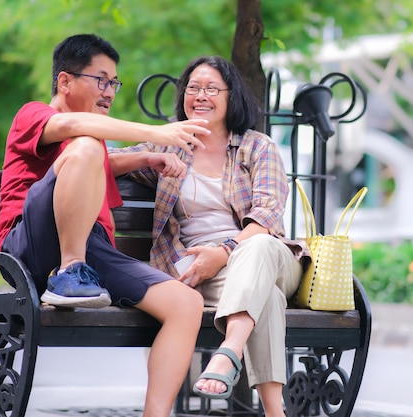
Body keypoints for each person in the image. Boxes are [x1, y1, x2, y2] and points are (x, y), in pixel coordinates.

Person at [0, 33, 208, 417]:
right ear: (64, 81)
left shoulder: (87, 147)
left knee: (186, 304)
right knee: (89, 142)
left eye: (114, 83)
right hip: (29, 245)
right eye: (101, 79)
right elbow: (77, 132)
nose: (109, 91)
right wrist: (155, 134)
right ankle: (69, 271)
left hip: (95, 248)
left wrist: (144, 158)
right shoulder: (35, 116)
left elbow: (97, 162)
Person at [109, 56, 308, 417]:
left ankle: (229, 350)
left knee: (259, 247)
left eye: (211, 88)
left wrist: (224, 250)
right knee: (268, 300)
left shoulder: (257, 147)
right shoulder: (171, 148)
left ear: (232, 97)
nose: (200, 96)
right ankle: (276, 413)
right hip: (202, 273)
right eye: (193, 88)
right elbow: (105, 159)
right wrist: (148, 154)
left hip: (270, 256)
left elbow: (265, 218)